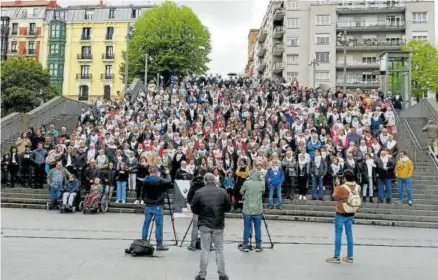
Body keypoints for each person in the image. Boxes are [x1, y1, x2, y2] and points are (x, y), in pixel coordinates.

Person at [191, 173, 231, 280]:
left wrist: (202, 212)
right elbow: (228, 207)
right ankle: (222, 274)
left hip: (204, 223)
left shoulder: (199, 192)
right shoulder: (222, 191)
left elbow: (194, 208)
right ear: (215, 180)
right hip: (218, 223)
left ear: (205, 181)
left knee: (205, 249)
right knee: (219, 250)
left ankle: (202, 275)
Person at [326, 169, 361, 264]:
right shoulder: (358, 187)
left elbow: (334, 196)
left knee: (338, 234)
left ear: (344, 178)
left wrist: (337, 185)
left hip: (341, 212)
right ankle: (350, 256)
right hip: (351, 213)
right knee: (349, 234)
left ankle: (336, 256)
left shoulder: (342, 187)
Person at [141, 166, 173, 251]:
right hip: (158, 205)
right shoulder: (160, 180)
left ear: (149, 171)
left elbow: (143, 192)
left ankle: (143, 241)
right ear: (156, 171)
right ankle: (159, 245)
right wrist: (168, 173)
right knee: (158, 225)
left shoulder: (145, 180)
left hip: (148, 205)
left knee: (145, 225)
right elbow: (169, 182)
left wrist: (144, 200)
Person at [240, 169, 265, 252]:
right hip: (258, 210)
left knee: (246, 228)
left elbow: (241, 192)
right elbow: (263, 193)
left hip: (247, 210)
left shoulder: (246, 183)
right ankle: (258, 246)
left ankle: (245, 246)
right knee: (258, 228)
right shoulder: (261, 184)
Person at [186, 170, 206, 251]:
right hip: (205, 209)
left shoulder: (193, 185)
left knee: (195, 227)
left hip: (196, 209)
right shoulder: (206, 185)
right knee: (206, 227)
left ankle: (193, 245)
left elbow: (189, 198)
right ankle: (208, 245)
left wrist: (193, 205)